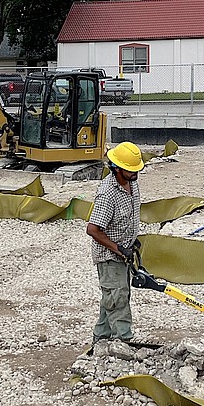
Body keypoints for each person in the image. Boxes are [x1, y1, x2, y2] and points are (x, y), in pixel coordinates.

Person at [86, 141, 145, 344]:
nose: (135, 174)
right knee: (118, 297)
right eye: (130, 171)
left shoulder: (131, 183)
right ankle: (124, 341)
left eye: (136, 170)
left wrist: (132, 241)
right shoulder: (107, 194)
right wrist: (118, 248)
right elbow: (92, 229)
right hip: (109, 255)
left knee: (112, 295)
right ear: (116, 169)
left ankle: (101, 337)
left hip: (124, 250)